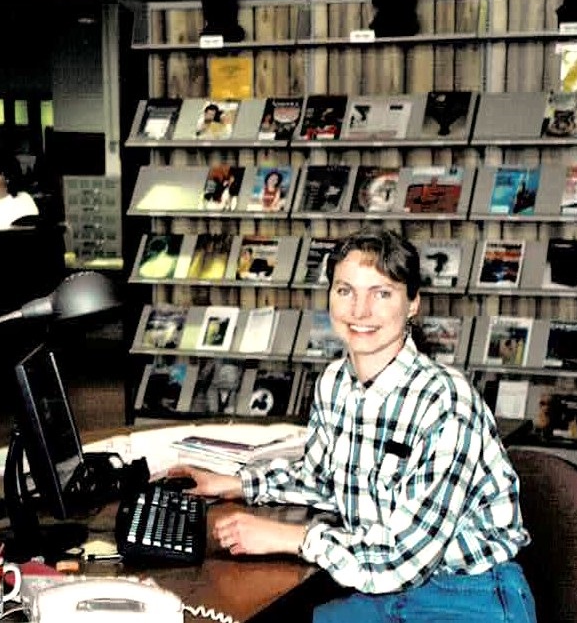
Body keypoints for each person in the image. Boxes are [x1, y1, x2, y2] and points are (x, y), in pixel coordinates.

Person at [172, 226, 535, 623]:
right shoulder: (335, 383)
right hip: (379, 589)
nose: (360, 311)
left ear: (413, 303)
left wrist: (292, 538)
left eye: (381, 293)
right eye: (345, 291)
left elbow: (402, 557)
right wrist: (238, 482)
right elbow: (325, 478)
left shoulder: (445, 403)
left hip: (468, 593)